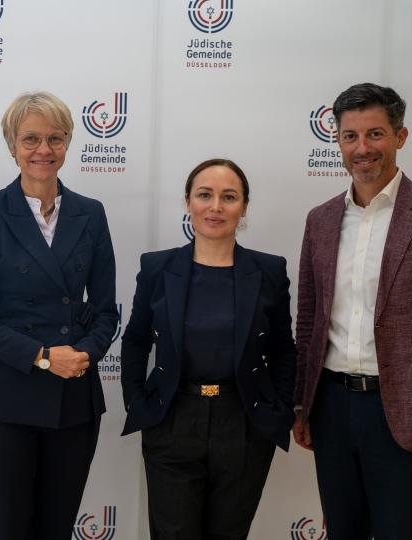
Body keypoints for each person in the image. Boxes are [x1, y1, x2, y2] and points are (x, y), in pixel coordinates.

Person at [293, 83, 412, 539]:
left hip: (405, 415)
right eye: (351, 136)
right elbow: (309, 321)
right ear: (338, 141)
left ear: (400, 137)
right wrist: (303, 404)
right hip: (332, 410)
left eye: (375, 134)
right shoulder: (320, 220)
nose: (363, 148)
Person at [0, 91, 118, 540]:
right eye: (30, 139)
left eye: (55, 138)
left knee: (56, 529)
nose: (43, 150)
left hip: (73, 398)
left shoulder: (92, 213)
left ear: (67, 143)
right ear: (12, 146)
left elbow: (106, 311)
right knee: (5, 528)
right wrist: (44, 356)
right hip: (5, 398)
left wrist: (82, 355)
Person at [119, 158, 296, 539]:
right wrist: (136, 400)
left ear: (244, 206)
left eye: (228, 197)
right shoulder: (157, 268)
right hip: (172, 419)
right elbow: (135, 339)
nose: (215, 207)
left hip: (244, 423)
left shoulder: (268, 271)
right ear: (188, 202)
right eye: (205, 195)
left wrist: (279, 408)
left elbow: (284, 349)